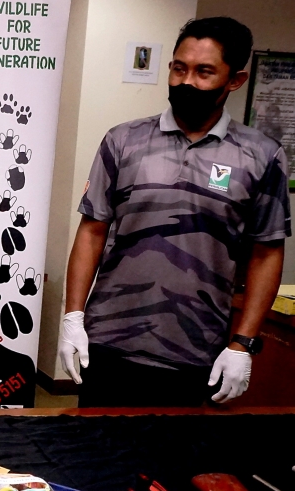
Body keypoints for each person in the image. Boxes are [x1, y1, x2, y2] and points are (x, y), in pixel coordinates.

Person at [59, 17, 290, 408]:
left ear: (234, 80)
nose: (186, 82)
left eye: (204, 72)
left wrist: (242, 344)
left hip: (197, 350)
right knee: (92, 460)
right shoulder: (123, 141)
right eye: (179, 68)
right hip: (109, 342)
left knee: (174, 466)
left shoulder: (262, 156)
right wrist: (73, 318)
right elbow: (92, 231)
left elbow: (267, 252)